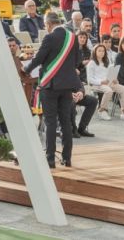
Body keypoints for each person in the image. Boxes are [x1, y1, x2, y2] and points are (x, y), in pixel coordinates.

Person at [24, 12, 85, 169]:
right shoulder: (72, 37)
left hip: (51, 85)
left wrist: (26, 69)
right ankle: (67, 158)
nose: (46, 27)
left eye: (45, 24)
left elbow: (38, 59)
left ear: (49, 24)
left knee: (51, 122)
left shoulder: (49, 37)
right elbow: (78, 60)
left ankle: (50, 159)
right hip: (68, 86)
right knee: (65, 121)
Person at [86, 43, 124, 122]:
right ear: (95, 52)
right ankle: (102, 110)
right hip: (97, 84)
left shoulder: (106, 62)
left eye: (103, 51)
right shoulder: (91, 63)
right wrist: (101, 82)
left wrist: (114, 79)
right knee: (108, 90)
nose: (101, 52)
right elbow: (90, 79)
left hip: (108, 83)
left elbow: (110, 74)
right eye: (99, 51)